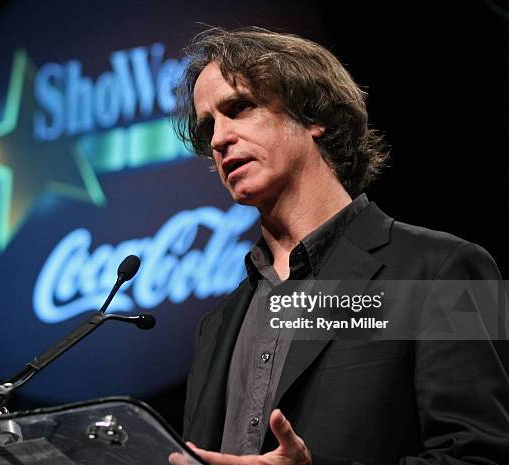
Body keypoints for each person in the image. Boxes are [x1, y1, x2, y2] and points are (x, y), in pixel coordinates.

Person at [169, 27, 509, 465]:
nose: (218, 139)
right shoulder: (216, 327)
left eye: (240, 107)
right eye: (208, 126)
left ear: (313, 115)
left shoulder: (443, 269)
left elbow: (481, 456)